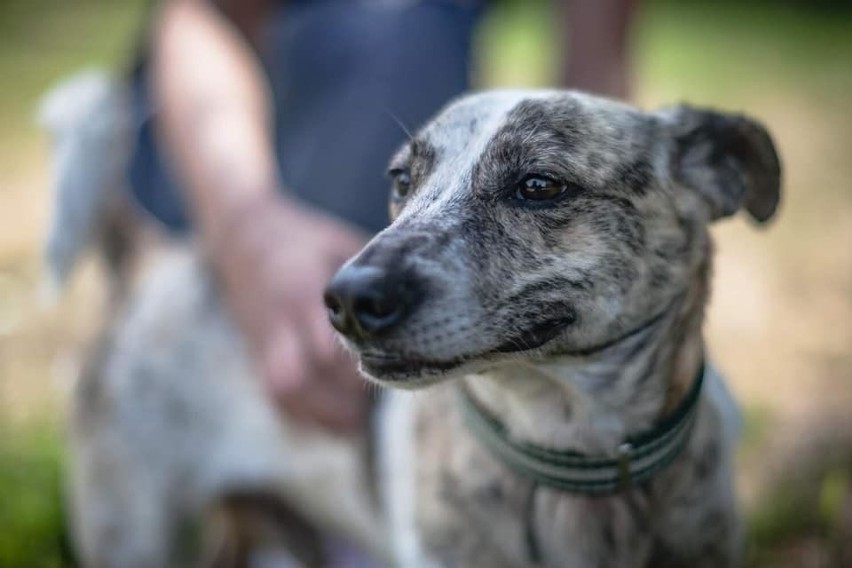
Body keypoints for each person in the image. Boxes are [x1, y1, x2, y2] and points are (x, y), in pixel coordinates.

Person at [132, 0, 638, 434]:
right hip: (205, 142)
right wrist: (249, 233)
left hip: (417, 60)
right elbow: (199, 14)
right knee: (403, 31)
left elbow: (594, 89)